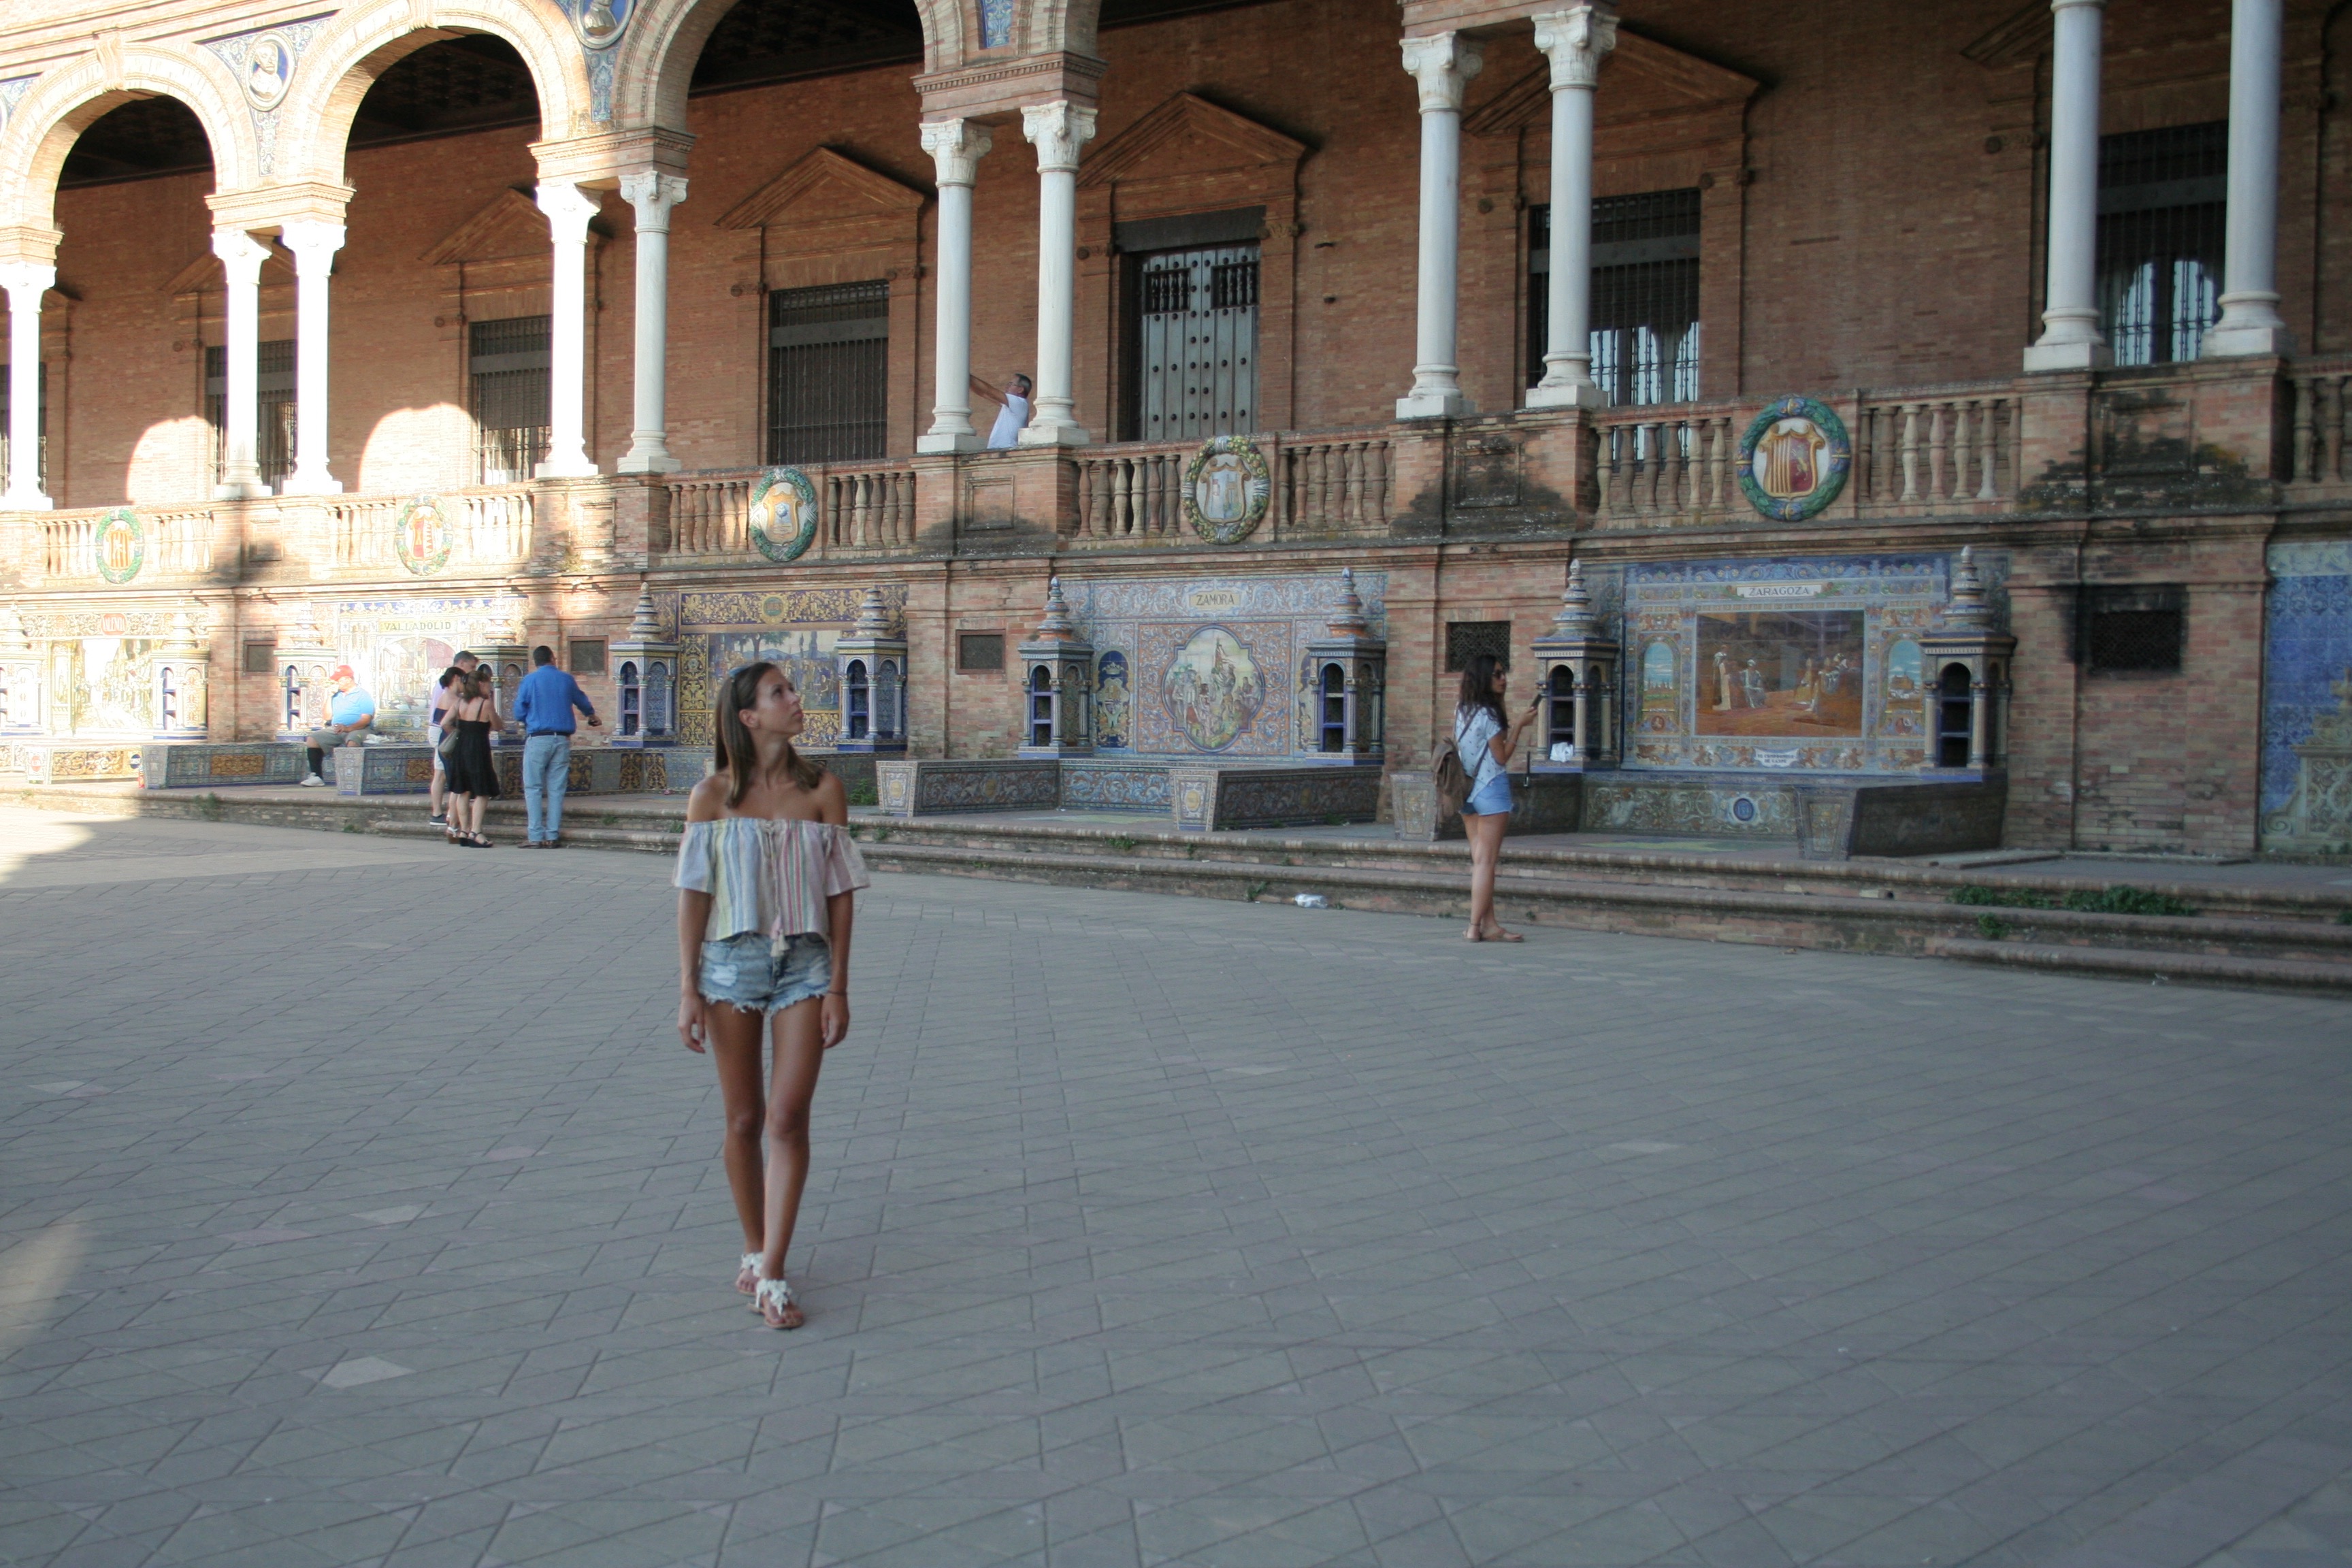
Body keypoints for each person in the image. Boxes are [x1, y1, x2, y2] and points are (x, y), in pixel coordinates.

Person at [674, 662, 868, 1330]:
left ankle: (776, 1272)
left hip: (807, 967)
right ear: (748, 717)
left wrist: (840, 983)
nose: (795, 700)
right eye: (779, 693)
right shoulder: (711, 798)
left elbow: (842, 896)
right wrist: (688, 989)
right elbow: (694, 896)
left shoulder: (824, 793)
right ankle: (754, 1249)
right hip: (731, 964)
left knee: (788, 1117)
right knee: (743, 1120)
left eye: (792, 690)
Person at [1454, 651, 1540, 944]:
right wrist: (1518, 726)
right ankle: (1474, 926)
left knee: (1480, 860)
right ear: (1483, 678)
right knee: (1486, 863)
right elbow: (1501, 757)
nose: (1504, 679)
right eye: (1498, 674)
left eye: (1504, 673)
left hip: (1466, 791)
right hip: (1490, 787)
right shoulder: (1490, 715)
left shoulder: (1462, 709)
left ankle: (1489, 925)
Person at [509, 645, 601, 849]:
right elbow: (581, 700)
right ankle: (552, 835)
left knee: (533, 787)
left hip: (538, 738)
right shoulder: (566, 679)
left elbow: (519, 709)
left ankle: (535, 836)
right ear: (552, 658)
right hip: (561, 738)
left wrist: (525, 719)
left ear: (536, 661)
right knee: (556, 789)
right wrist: (591, 715)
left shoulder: (530, 680)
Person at [441, 668, 501, 848]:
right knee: (482, 792)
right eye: (488, 683)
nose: (489, 687)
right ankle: (476, 831)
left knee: (463, 790)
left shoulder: (459, 702)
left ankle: (464, 830)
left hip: (461, 748)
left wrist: (458, 733)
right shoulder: (485, 703)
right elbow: (498, 726)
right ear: (481, 684)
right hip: (478, 749)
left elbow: (444, 723)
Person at [301, 665, 374, 786]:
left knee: (352, 741)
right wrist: (329, 696)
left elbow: (366, 719)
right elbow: (327, 717)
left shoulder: (363, 695)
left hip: (358, 728)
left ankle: (353, 778)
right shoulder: (337, 696)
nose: (336, 683)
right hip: (337, 729)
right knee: (313, 739)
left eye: (338, 680)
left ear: (348, 679)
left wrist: (348, 728)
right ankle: (316, 776)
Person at [427, 666, 465, 824]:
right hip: (446, 739)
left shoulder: (448, 695)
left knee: (441, 773)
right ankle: (447, 814)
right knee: (448, 776)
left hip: (441, 737)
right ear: (456, 678)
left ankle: (439, 813)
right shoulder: (452, 698)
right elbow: (446, 722)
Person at [974, 372, 1032, 449]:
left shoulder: (1019, 402)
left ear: (1020, 390)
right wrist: (966, 381)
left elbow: (990, 391)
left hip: (1006, 449)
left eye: (1011, 384)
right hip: (999, 449)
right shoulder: (1012, 404)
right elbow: (984, 394)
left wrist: (965, 374)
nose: (1007, 386)